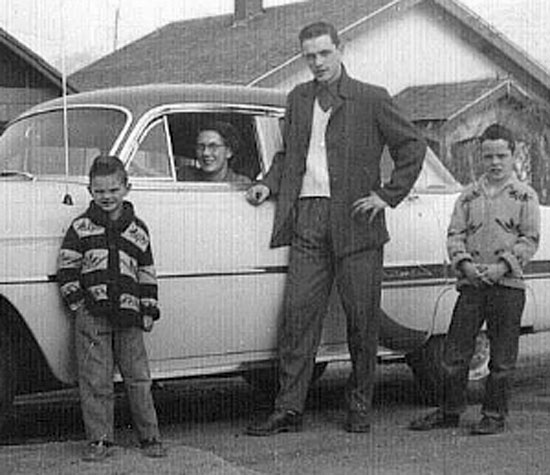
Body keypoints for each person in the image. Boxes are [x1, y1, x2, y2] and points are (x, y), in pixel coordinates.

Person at [245, 21, 426, 435]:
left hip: (358, 222)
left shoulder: (372, 98)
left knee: (361, 321)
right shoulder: (298, 98)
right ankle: (289, 409)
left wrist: (387, 194)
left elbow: (412, 146)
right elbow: (288, 156)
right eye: (309, 56)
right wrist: (266, 185)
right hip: (308, 218)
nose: (318, 63)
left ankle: (359, 405)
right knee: (296, 316)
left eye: (324, 53)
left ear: (340, 49)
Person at [409, 124, 540, 435]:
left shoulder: (524, 195)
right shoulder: (467, 197)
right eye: (488, 156)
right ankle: (450, 410)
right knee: (454, 354)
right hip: (472, 286)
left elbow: (529, 238)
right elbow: (455, 235)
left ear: (513, 155)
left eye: (502, 155)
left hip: (507, 287)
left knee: (502, 358)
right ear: (480, 157)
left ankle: (494, 415)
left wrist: (502, 267)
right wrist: (465, 265)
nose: (495, 162)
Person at [57, 155, 166, 461]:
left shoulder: (138, 229)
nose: (107, 197)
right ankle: (100, 440)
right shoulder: (80, 228)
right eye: (99, 191)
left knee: (138, 379)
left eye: (113, 190)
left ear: (126, 188)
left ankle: (150, 436)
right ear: (90, 190)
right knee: (95, 381)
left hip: (130, 317)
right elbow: (67, 267)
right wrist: (77, 303)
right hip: (92, 317)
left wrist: (148, 308)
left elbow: (147, 271)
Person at [177, 121, 251, 183]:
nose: (205, 153)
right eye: (201, 147)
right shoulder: (186, 177)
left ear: (228, 152)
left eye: (213, 147)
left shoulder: (240, 183)